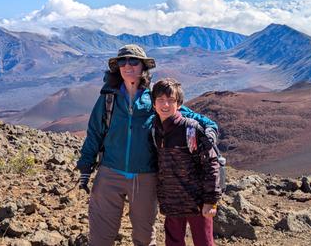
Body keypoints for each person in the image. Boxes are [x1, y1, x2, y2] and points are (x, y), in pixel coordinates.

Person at [76, 44, 218, 246]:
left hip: (145, 176)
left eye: (133, 61)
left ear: (143, 67)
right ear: (117, 68)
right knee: (100, 237)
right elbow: (94, 133)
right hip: (109, 172)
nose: (127, 65)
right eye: (122, 62)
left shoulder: (154, 98)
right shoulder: (108, 98)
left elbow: (183, 113)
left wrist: (210, 128)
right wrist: (85, 165)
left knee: (144, 237)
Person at [151, 78, 221, 246]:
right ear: (153, 104)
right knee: (173, 242)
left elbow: (211, 163)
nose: (165, 105)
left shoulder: (190, 129)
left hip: (197, 203)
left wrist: (210, 200)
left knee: (204, 242)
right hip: (172, 201)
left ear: (179, 104)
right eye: (160, 100)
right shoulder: (154, 129)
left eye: (171, 100)